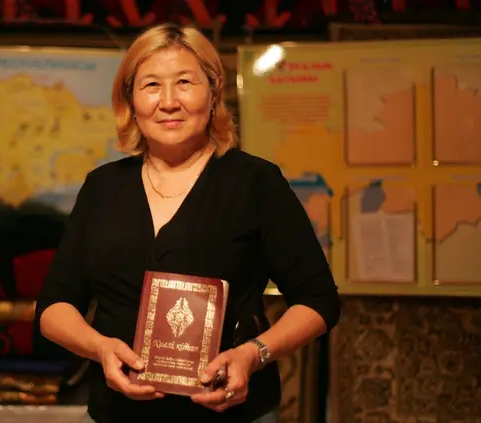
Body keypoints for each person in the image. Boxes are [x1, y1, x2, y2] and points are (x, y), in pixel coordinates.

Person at [35, 22, 340, 423]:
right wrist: (100, 348)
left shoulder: (255, 182)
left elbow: (318, 300)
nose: (168, 102)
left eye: (184, 82)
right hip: (118, 413)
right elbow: (53, 308)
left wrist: (253, 355)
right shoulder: (102, 187)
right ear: (130, 100)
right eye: (151, 85)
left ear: (213, 92)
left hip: (232, 414)